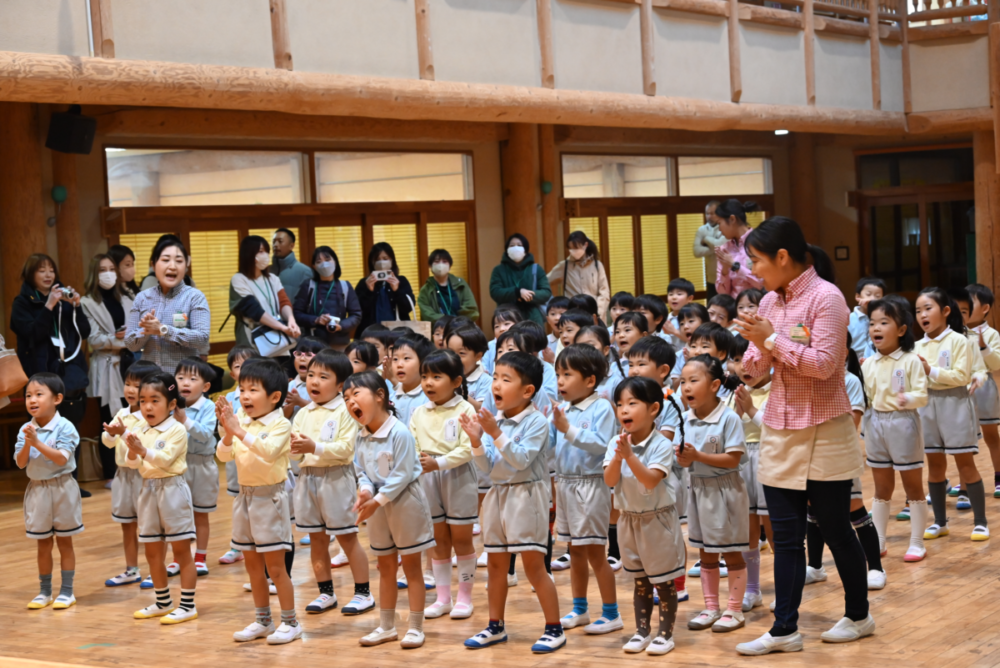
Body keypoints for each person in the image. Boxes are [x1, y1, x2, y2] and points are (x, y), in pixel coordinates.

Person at [734, 216, 872, 655]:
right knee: (787, 535)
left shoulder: (827, 298)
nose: (753, 269)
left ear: (782, 257)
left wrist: (771, 341)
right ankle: (784, 630)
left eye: (757, 260)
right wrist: (751, 354)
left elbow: (825, 366)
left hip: (826, 425)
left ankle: (858, 615)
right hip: (780, 426)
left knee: (834, 525)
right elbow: (758, 368)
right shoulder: (771, 303)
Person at [460, 351, 564, 654]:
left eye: (506, 379)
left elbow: (519, 460)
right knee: (495, 565)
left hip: (526, 496)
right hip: (497, 496)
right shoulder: (498, 421)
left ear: (527, 390)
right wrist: (478, 441)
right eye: (495, 378)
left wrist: (493, 433)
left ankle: (554, 628)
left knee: (533, 566)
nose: (497, 385)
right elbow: (488, 468)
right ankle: (496, 625)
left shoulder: (537, 422)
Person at [347, 370, 436, 649]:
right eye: (346, 398)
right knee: (385, 565)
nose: (351, 402)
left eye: (356, 394)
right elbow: (361, 472)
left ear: (380, 396)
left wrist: (376, 500)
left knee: (411, 567)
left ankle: (416, 628)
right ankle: (386, 626)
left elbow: (400, 475)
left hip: (405, 504)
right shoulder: (360, 436)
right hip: (377, 509)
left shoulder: (399, 432)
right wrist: (364, 492)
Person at [215, 358, 301, 645]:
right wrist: (228, 432)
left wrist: (237, 430)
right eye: (242, 390)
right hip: (244, 497)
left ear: (274, 397)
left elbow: (267, 451)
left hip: (270, 498)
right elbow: (223, 456)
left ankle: (291, 622)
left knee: (275, 568)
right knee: (252, 567)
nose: (244, 396)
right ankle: (263, 619)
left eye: (253, 390)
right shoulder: (241, 419)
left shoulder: (280, 424)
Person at [603, 376, 686, 655]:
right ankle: (641, 631)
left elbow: (651, 480)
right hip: (629, 520)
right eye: (619, 404)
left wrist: (629, 457)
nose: (623, 410)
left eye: (632, 403)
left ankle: (665, 634)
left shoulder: (661, 443)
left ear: (653, 409)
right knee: (639, 581)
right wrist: (618, 457)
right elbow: (609, 480)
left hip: (657, 520)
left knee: (662, 581)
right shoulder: (617, 441)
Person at [289, 350, 374, 616]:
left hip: (337, 478)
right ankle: (326, 593)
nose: (313, 381)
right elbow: (295, 448)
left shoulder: (347, 411)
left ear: (340, 385)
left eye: (323, 377)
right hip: (308, 480)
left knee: (348, 539)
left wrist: (313, 446)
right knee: (316, 540)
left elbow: (347, 449)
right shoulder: (303, 413)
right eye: (311, 375)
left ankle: (364, 593)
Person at [550, 345, 622, 634]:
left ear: (590, 380)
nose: (560, 381)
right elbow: (548, 445)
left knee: (595, 553)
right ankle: (580, 609)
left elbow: (602, 443)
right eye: (557, 374)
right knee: (575, 552)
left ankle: (611, 613)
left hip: (590, 485)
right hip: (564, 484)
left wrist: (568, 429)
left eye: (567, 374)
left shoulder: (602, 406)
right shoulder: (563, 409)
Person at [676, 355, 749, 633]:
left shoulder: (729, 418)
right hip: (698, 490)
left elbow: (732, 460)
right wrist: (682, 459)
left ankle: (734, 610)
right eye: (683, 382)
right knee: (705, 553)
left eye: (694, 381)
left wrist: (698, 456)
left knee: (730, 553)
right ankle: (711, 607)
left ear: (715, 384)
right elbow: (682, 459)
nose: (686, 387)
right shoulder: (686, 418)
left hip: (725, 491)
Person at [11, 254, 92, 495]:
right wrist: (49, 306)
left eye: (51, 271)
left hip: (69, 370)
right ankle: (44, 480)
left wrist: (76, 306)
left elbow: (84, 332)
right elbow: (31, 333)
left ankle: (71, 482)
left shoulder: (65, 300)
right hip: (42, 371)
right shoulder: (23, 302)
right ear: (30, 275)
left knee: (69, 425)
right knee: (45, 425)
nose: (48, 275)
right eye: (41, 271)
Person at [123, 372, 198, 625]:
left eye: (155, 400)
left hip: (172, 490)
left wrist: (141, 450)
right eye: (143, 400)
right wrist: (133, 450)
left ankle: (187, 605)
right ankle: (163, 601)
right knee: (153, 552)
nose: (147, 406)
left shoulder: (176, 429)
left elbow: (165, 461)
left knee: (181, 551)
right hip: (148, 490)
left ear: (172, 404)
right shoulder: (139, 428)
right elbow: (130, 463)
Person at [914, 287, 988, 542]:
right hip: (926, 407)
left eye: (928, 308)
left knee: (965, 464)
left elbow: (960, 376)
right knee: (934, 466)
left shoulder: (960, 341)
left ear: (945, 311)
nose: (922, 314)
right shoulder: (915, 346)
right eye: (918, 310)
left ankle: (980, 522)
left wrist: (930, 371)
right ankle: (940, 522)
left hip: (955, 403)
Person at [410, 349, 479, 620]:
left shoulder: (465, 409)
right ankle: (442, 598)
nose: (428, 383)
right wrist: (420, 463)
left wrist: (438, 463)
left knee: (461, 539)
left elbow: (467, 449)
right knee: (438, 540)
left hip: (457, 476)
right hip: (428, 477)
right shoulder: (418, 411)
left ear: (456, 381)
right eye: (425, 376)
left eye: (436, 376)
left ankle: (465, 597)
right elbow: (412, 444)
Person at [861, 298, 929, 562]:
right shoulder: (868, 364)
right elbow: (865, 397)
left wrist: (907, 400)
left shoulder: (912, 360)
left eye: (883, 322)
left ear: (901, 330)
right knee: (881, 488)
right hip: (875, 424)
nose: (875, 328)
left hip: (904, 423)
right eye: (872, 323)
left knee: (913, 487)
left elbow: (921, 396)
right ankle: (877, 541)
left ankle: (916, 543)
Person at [16, 373, 84, 611]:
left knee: (65, 542)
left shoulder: (66, 427)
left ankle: (67, 592)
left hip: (63, 488)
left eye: (38, 394)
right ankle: (44, 592)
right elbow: (21, 463)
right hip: (37, 490)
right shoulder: (26, 429)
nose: (32, 400)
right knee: (42, 544)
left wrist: (37, 443)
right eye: (28, 395)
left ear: (57, 399)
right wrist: (28, 442)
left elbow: (60, 459)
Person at [724, 335, 774, 610]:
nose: (744, 366)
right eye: (736, 359)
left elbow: (776, 428)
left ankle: (786, 589)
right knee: (748, 531)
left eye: (751, 358)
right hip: (743, 464)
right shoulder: (735, 394)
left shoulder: (780, 388)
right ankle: (752, 590)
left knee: (775, 530)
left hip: (770, 460)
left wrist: (751, 408)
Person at [101, 359, 159, 587]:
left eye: (137, 385)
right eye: (127, 384)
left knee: (152, 526)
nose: (130, 390)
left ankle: (157, 570)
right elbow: (107, 442)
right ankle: (131, 569)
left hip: (146, 476)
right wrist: (111, 433)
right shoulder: (121, 413)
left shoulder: (153, 416)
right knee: (127, 524)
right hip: (123, 476)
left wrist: (123, 432)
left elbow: (142, 445)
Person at [81, 254, 134, 481]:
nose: (109, 273)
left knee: (132, 416)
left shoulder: (129, 296)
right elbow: (94, 339)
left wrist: (125, 339)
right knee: (110, 420)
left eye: (112, 268)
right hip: (106, 365)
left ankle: (133, 466)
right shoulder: (87, 302)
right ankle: (111, 474)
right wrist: (122, 339)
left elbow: (139, 332)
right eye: (103, 269)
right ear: (95, 273)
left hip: (129, 362)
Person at [125, 237, 210, 372]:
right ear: (153, 265)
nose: (172, 266)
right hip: (150, 381)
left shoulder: (195, 297)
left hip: (181, 381)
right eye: (165, 260)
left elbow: (202, 339)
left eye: (179, 261)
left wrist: (163, 330)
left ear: (186, 266)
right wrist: (146, 331)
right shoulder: (142, 298)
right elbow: (130, 345)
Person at [173, 357, 219, 578]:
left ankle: (200, 558)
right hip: (177, 466)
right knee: (178, 516)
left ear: (206, 386)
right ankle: (178, 559)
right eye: (181, 377)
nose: (185, 383)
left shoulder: (209, 407)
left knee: (200, 515)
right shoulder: (170, 403)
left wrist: (184, 420)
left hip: (202, 465)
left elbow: (204, 435)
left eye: (192, 379)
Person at [229, 235, 302, 357]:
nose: (266, 256)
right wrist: (283, 328)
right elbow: (254, 311)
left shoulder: (273, 279)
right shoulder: (239, 279)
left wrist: (291, 320)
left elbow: (284, 302)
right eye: (261, 252)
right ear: (249, 254)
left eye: (267, 252)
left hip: (277, 337)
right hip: (253, 339)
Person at [293, 246, 362, 350]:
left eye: (328, 259)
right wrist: (316, 320)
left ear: (335, 262)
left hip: (339, 343)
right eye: (319, 261)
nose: (324, 264)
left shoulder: (345, 286)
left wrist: (341, 326)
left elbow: (356, 315)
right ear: (314, 266)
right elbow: (296, 314)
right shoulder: (309, 286)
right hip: (313, 344)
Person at [489, 234, 551, 327]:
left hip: (533, 316)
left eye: (519, 245)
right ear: (506, 249)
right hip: (507, 317)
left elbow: (546, 292)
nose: (516, 248)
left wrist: (526, 295)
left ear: (525, 249)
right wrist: (517, 292)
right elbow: (495, 292)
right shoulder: (499, 270)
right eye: (512, 245)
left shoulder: (536, 269)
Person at [547, 231, 611, 321]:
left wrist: (598, 311)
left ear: (585, 245)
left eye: (576, 248)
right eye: (571, 248)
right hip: (573, 316)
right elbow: (545, 281)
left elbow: (604, 292)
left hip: (595, 315)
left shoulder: (597, 265)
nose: (573, 251)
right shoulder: (565, 265)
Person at [355, 243, 416, 335]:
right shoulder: (364, 283)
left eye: (385, 259)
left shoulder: (401, 281)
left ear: (392, 261)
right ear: (372, 262)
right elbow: (357, 312)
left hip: (398, 334)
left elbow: (408, 308)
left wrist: (397, 290)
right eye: (377, 259)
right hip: (371, 334)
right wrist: (369, 291)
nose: (381, 262)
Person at [715, 199, 765, 299]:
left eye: (719, 223)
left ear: (732, 219)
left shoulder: (760, 242)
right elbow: (723, 294)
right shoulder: (724, 248)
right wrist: (725, 270)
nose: (719, 229)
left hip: (759, 306)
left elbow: (763, 284)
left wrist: (735, 266)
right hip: (735, 308)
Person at [417, 249, 480, 323]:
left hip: (462, 328)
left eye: (444, 262)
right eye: (437, 262)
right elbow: (427, 315)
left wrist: (458, 322)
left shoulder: (461, 284)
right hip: (438, 330)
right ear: (431, 266)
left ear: (450, 266)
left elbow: (471, 309)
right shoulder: (425, 290)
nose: (441, 265)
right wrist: (447, 321)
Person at [693, 201, 726, 299]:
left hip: (726, 279)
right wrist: (715, 249)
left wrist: (706, 239)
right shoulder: (702, 230)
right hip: (711, 279)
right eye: (707, 213)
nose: (709, 216)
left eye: (712, 213)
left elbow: (720, 245)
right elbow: (696, 251)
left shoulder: (725, 227)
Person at [270, 228, 313, 302]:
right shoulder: (266, 270)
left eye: (280, 241)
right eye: (274, 242)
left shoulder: (304, 271)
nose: (275, 245)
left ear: (291, 246)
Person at [848, 277, 885, 360]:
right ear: (858, 296)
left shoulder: (884, 319)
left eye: (877, 296)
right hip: (854, 364)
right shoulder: (849, 319)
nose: (872, 299)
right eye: (868, 295)